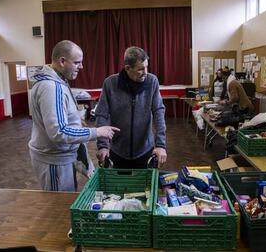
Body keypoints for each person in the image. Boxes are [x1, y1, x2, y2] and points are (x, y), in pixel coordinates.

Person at [28, 40, 119, 192]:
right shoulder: (52, 87)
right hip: (54, 161)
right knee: (59, 206)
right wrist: (96, 132)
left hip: (61, 157)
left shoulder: (59, 80)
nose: (81, 67)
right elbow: (59, 132)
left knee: (66, 201)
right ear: (62, 61)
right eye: (77, 62)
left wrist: (76, 122)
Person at [95, 46, 167, 169]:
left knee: (144, 187)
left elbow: (158, 112)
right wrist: (103, 146)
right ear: (127, 68)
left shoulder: (152, 81)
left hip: (145, 151)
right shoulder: (110, 84)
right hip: (117, 151)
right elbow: (101, 114)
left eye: (146, 67)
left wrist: (160, 145)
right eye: (140, 69)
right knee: (118, 187)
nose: (145, 72)